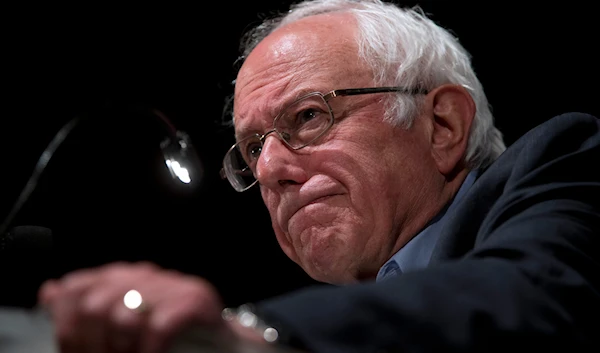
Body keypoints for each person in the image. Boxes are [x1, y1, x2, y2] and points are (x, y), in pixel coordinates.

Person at [37, 0, 600, 352]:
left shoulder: (566, 161)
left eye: (308, 117)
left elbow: (536, 297)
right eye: (252, 147)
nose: (271, 169)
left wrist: (252, 336)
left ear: (443, 125)